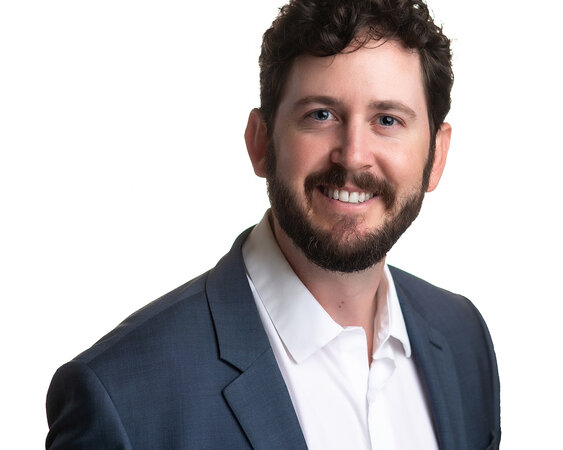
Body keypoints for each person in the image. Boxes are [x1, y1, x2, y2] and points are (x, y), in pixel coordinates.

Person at [45, 0, 500, 448]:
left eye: (387, 120)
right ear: (260, 142)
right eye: (321, 115)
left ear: (437, 156)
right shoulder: (121, 400)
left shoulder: (464, 338)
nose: (353, 156)